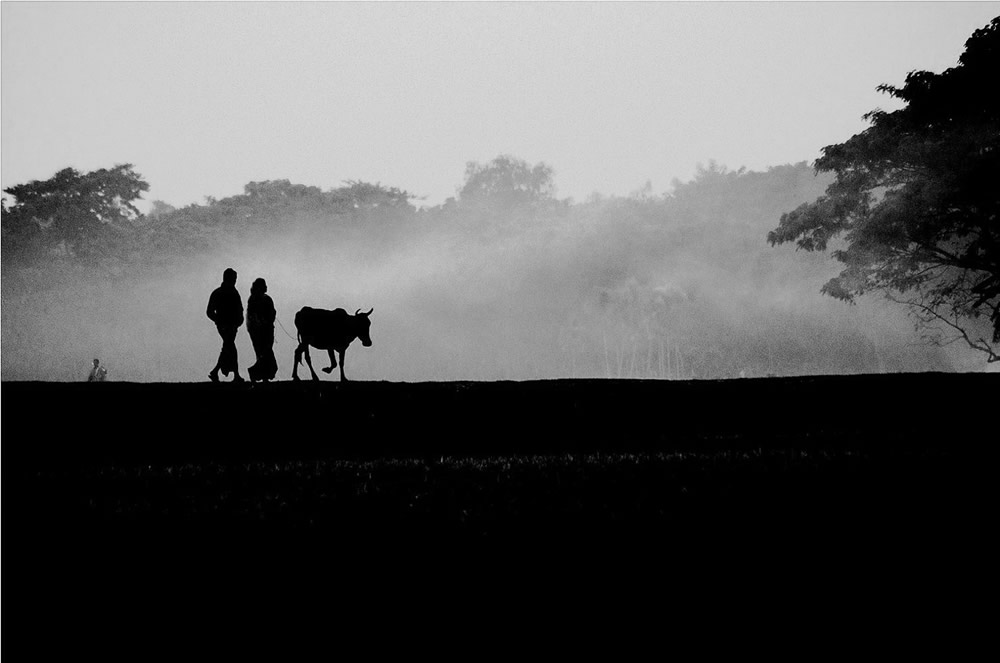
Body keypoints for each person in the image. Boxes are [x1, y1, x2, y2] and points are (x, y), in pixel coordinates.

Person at [206, 267, 245, 383]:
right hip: (224, 326)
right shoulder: (219, 293)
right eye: (234, 279)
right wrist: (218, 321)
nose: (235, 281)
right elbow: (209, 311)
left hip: (232, 326)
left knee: (228, 348)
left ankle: (215, 371)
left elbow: (240, 310)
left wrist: (238, 322)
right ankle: (235, 375)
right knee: (231, 347)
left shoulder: (233, 292)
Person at [246, 277, 277, 382]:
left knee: (264, 353)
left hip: (266, 330)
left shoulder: (266, 299)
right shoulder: (254, 300)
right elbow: (252, 316)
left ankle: (263, 376)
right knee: (263, 354)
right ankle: (256, 373)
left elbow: (272, 313)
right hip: (259, 332)